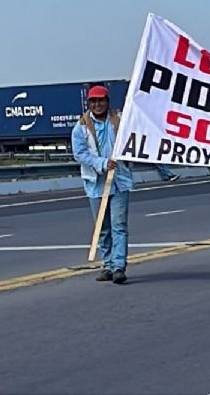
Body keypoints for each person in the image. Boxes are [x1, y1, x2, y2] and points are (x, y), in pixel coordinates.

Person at [71, 85, 134, 284]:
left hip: (119, 181)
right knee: (103, 227)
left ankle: (118, 267)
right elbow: (80, 154)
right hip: (96, 184)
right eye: (93, 101)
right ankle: (107, 265)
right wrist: (102, 163)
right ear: (89, 103)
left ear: (107, 102)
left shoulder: (120, 121)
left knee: (119, 225)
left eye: (101, 100)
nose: (97, 105)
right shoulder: (81, 127)